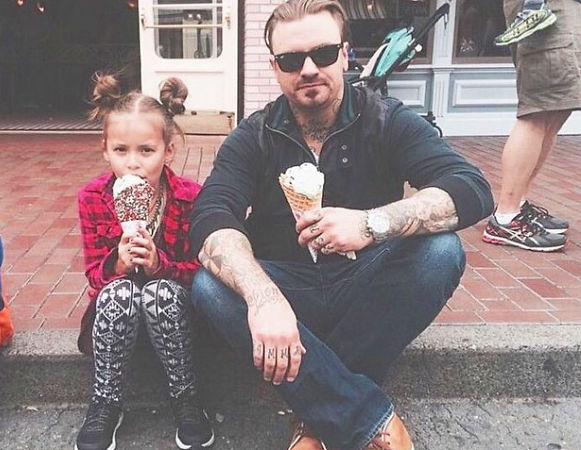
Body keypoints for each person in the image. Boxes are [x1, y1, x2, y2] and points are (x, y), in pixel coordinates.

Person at [189, 1, 493, 449]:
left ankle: (316, 416)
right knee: (209, 287)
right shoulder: (255, 135)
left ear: (345, 54)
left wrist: (372, 223)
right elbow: (211, 214)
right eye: (291, 60)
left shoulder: (385, 118)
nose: (309, 69)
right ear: (274, 68)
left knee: (441, 252)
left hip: (365, 284)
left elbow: (470, 187)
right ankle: (366, 419)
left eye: (324, 53)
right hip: (288, 287)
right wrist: (262, 297)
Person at [75, 73, 214, 450]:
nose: (132, 164)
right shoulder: (92, 197)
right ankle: (105, 400)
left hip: (173, 316)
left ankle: (186, 396)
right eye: (121, 150)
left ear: (168, 151)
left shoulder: (189, 197)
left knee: (160, 292)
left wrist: (160, 266)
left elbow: (201, 273)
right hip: (115, 315)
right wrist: (117, 265)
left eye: (146, 151)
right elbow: (94, 276)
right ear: (105, 151)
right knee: (119, 291)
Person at [483, 0, 580, 252]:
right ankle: (506, 217)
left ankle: (518, 204)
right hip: (546, 6)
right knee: (538, 109)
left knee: (557, 108)